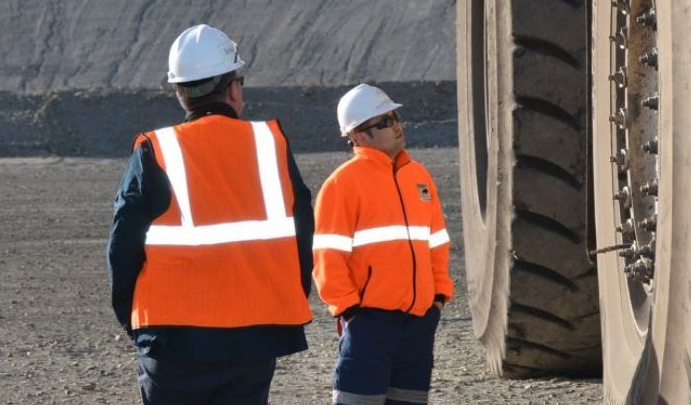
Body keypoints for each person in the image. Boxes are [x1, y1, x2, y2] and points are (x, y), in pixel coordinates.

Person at [107, 24, 314, 404]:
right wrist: (287, 299)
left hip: (173, 341)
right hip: (255, 337)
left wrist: (133, 318)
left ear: (180, 93)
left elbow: (123, 243)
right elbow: (302, 230)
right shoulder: (270, 145)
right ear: (233, 88)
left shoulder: (156, 149)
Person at [312, 84, 454, 405]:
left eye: (395, 116)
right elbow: (327, 256)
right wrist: (350, 311)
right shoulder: (342, 184)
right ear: (359, 135)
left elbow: (437, 243)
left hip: (418, 323)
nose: (397, 125)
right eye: (385, 121)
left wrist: (438, 297)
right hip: (370, 325)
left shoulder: (419, 176)